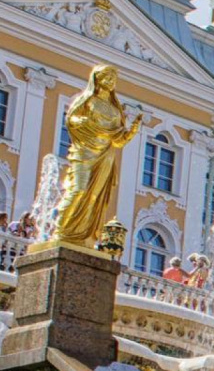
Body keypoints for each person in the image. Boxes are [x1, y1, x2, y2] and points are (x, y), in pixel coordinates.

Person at [50, 64, 148, 247]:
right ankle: (61, 230)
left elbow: (118, 140)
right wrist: (86, 122)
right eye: (107, 77)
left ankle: (82, 236)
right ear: (97, 79)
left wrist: (133, 129)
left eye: (113, 78)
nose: (111, 81)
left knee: (94, 197)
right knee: (78, 190)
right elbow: (71, 120)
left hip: (105, 155)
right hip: (85, 151)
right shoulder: (87, 100)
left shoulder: (115, 110)